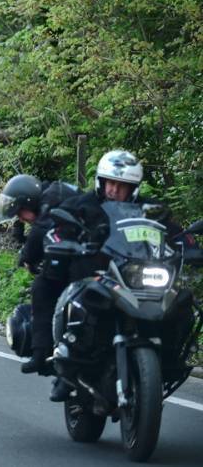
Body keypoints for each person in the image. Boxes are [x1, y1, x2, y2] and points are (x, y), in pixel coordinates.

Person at [42, 150, 190, 401]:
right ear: (101, 182)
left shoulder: (149, 210)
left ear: (132, 188)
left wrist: (190, 244)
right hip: (96, 273)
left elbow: (175, 233)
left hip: (136, 275)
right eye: (110, 183)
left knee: (184, 302)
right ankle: (67, 364)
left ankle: (171, 357)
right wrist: (65, 240)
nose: (114, 190)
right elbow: (57, 228)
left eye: (121, 185)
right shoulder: (82, 204)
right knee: (80, 298)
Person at [0, 174, 79, 378]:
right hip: (87, 251)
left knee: (41, 288)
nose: (21, 218)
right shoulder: (57, 191)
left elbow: (39, 234)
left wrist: (26, 258)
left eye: (21, 212)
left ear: (28, 201)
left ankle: (41, 352)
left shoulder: (49, 203)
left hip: (82, 255)